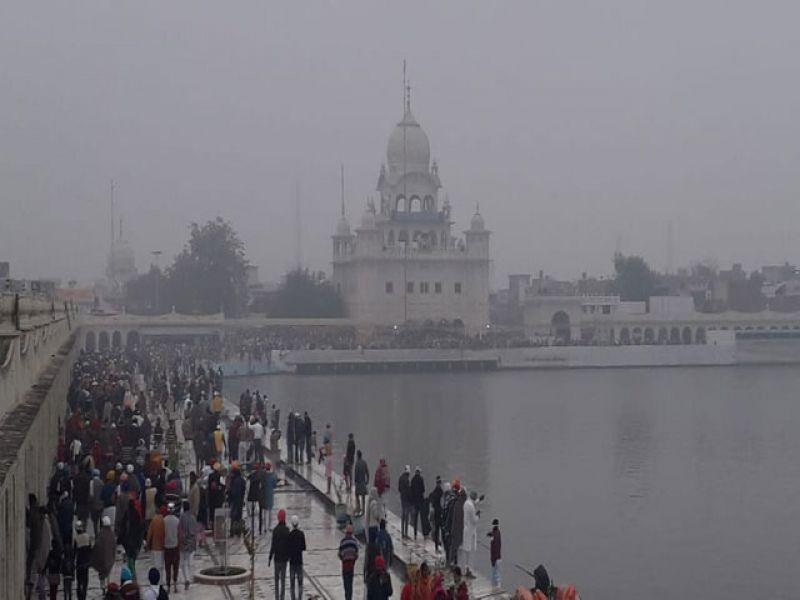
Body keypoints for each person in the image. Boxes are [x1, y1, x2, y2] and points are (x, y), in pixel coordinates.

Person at [268, 509, 291, 600]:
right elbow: (289, 545)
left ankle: (277, 597)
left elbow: (273, 545)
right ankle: (282, 597)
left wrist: (270, 557)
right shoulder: (287, 530)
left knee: (276, 579)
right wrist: (289, 556)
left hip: (277, 558)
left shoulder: (275, 530)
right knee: (283, 579)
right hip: (284, 559)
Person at [92, 516, 116, 592]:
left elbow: (97, 545)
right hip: (110, 559)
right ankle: (109, 587)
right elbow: (114, 546)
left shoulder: (100, 534)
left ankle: (103, 587)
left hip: (102, 559)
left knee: (102, 575)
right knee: (109, 574)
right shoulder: (112, 534)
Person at [178, 500, 198, 592]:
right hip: (192, 543)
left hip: (184, 544)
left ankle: (187, 579)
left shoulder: (182, 518)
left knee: (182, 563)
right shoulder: (193, 517)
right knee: (190, 562)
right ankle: (189, 578)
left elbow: (180, 531)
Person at [337, 524, 359, 600]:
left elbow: (339, 554)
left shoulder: (343, 542)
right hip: (351, 566)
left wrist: (343, 558)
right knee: (350, 583)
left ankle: (347, 597)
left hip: (345, 566)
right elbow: (356, 554)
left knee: (346, 584)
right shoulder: (354, 542)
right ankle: (350, 597)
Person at [287, 515, 306, 600]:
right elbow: (304, 547)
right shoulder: (301, 534)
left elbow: (287, 548)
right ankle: (300, 598)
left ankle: (293, 598)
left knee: (292, 583)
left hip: (292, 562)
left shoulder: (290, 535)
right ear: (298, 523)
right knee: (300, 583)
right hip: (299, 561)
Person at [461, 490, 480, 579]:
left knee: (465, 551)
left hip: (466, 529)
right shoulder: (471, 507)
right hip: (471, 532)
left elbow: (473, 503)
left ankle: (464, 570)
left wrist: (479, 500)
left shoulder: (466, 503)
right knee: (470, 552)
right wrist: (478, 516)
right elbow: (474, 520)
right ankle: (469, 570)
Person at [163, 506, 181, 593]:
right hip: (175, 547)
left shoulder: (164, 520)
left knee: (167, 568)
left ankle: (168, 586)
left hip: (167, 547)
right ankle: (175, 586)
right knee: (175, 567)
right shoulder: (177, 520)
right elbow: (179, 534)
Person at [74, 520, 93, 600]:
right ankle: (84, 596)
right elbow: (90, 549)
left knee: (79, 581)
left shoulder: (76, 539)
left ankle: (79, 597)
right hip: (86, 562)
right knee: (85, 581)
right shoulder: (87, 536)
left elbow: (74, 552)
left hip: (79, 562)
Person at [448, 482, 466, 566]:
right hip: (459, 531)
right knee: (456, 548)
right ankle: (455, 564)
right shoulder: (461, 505)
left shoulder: (457, 504)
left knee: (453, 547)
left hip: (455, 530)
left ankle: (452, 562)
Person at [147, 506, 167, 579]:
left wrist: (147, 544)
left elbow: (149, 533)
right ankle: (161, 581)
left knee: (155, 566)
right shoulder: (165, 520)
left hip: (154, 547)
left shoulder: (154, 520)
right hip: (163, 547)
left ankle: (156, 582)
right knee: (161, 566)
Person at [410, 467, 426, 540]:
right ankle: (424, 532)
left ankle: (415, 532)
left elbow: (411, 490)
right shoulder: (421, 479)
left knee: (415, 518)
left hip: (415, 501)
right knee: (422, 518)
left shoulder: (413, 479)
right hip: (420, 501)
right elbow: (423, 489)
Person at [429, 476, 444, 553]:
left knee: (436, 530)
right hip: (439, 513)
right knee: (441, 530)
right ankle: (440, 546)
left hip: (435, 512)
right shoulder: (441, 492)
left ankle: (436, 547)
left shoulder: (434, 491)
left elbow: (431, 499)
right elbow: (442, 503)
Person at [488, 518, 502, 589]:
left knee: (495, 574)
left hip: (495, 558)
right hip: (499, 557)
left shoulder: (494, 534)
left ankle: (496, 588)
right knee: (496, 574)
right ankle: (496, 587)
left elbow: (494, 545)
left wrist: (493, 559)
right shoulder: (498, 532)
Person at [398, 466, 411, 539]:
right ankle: (405, 533)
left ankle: (402, 532)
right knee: (406, 517)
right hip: (407, 500)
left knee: (403, 515)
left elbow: (399, 488)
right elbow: (409, 491)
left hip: (402, 498)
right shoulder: (407, 480)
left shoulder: (400, 478)